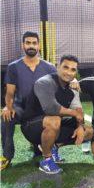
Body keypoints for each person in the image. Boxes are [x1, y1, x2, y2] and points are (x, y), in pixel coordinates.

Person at [21, 55, 94, 174]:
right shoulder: (45, 82)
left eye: (73, 69)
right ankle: (46, 160)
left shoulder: (72, 88)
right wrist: (74, 113)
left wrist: (80, 126)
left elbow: (79, 110)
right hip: (31, 126)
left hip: (55, 126)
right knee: (54, 120)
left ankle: (54, 146)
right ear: (57, 67)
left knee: (89, 131)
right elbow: (51, 108)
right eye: (66, 67)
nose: (69, 72)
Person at [1, 31, 56, 170]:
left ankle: (45, 147)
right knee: (6, 117)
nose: (31, 45)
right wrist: (8, 107)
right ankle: (7, 156)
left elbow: (58, 87)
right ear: (23, 45)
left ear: (39, 46)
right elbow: (10, 92)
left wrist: (73, 80)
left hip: (41, 109)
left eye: (34, 43)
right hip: (20, 108)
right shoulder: (14, 66)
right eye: (28, 43)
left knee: (54, 119)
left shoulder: (49, 67)